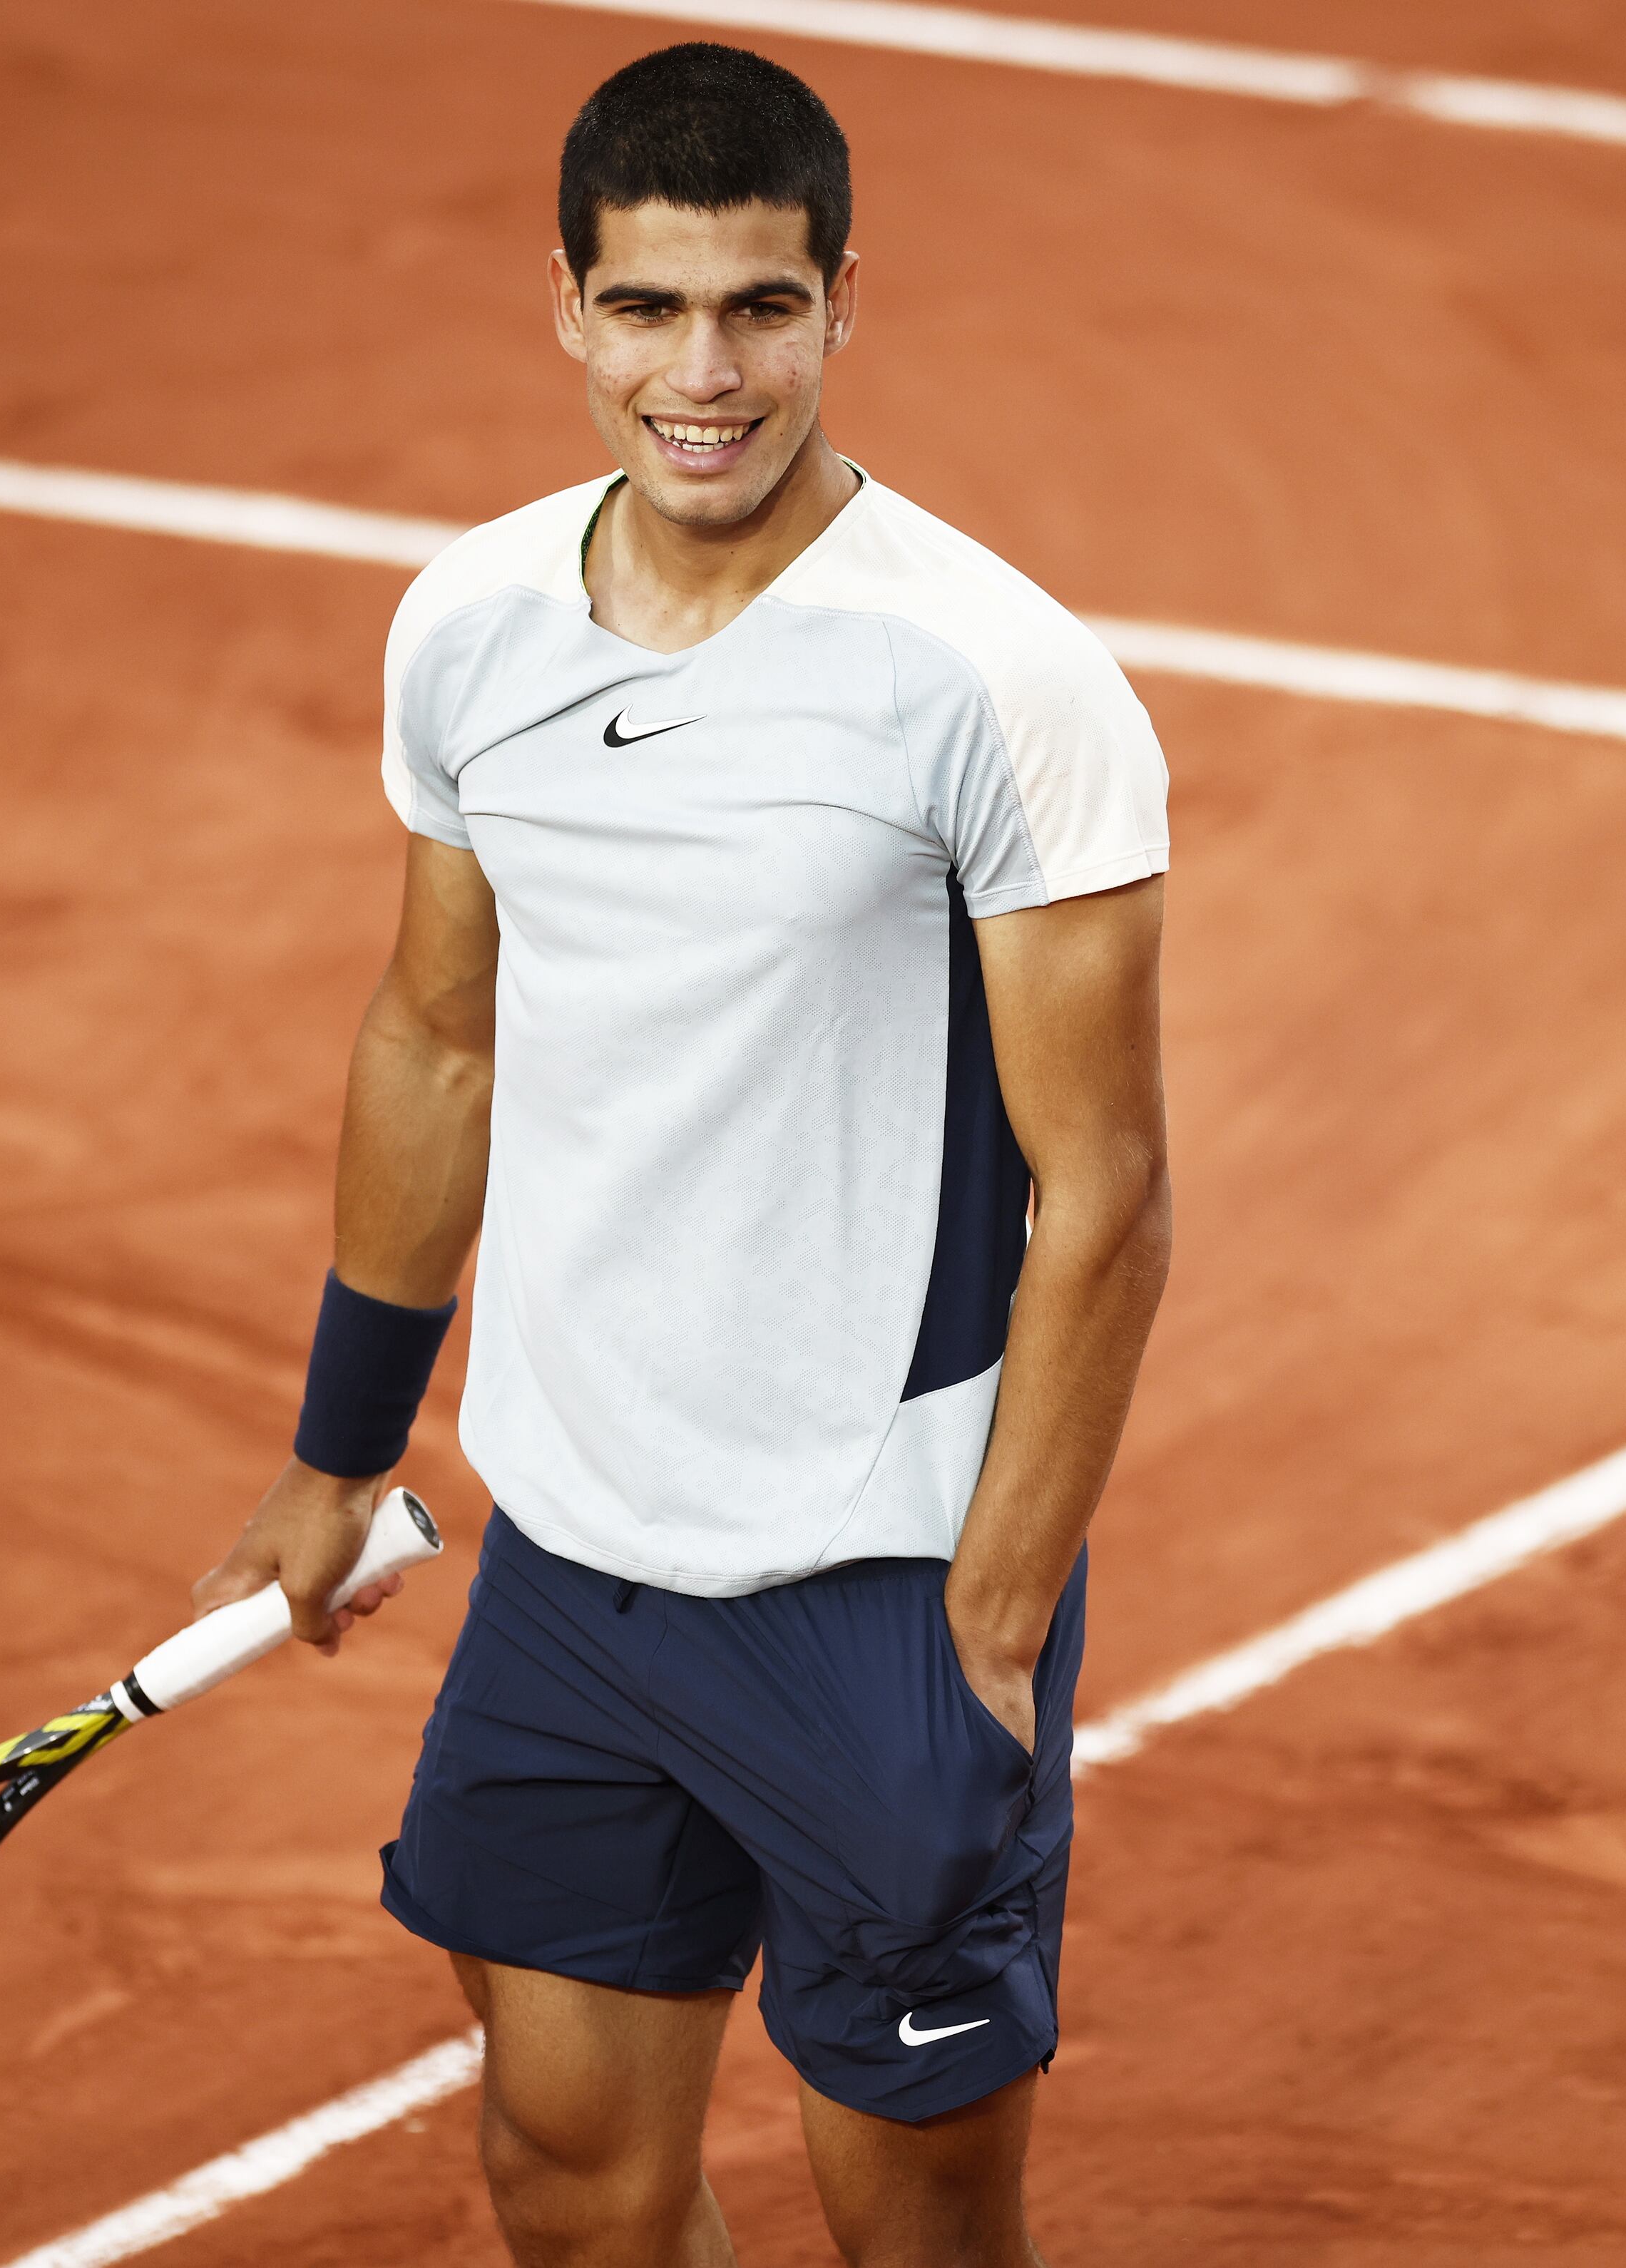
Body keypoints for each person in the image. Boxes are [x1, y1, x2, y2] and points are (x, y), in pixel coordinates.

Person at [190, 41, 1172, 2267]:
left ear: (843, 306)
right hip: (580, 1555)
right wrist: (343, 1451)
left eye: (759, 308)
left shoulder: (989, 679)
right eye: (648, 310)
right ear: (568, 307)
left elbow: (1106, 1188)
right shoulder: (472, 629)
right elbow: (438, 1040)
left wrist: (995, 1614)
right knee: (564, 2176)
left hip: (880, 1588)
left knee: (911, 2230)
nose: (702, 373)